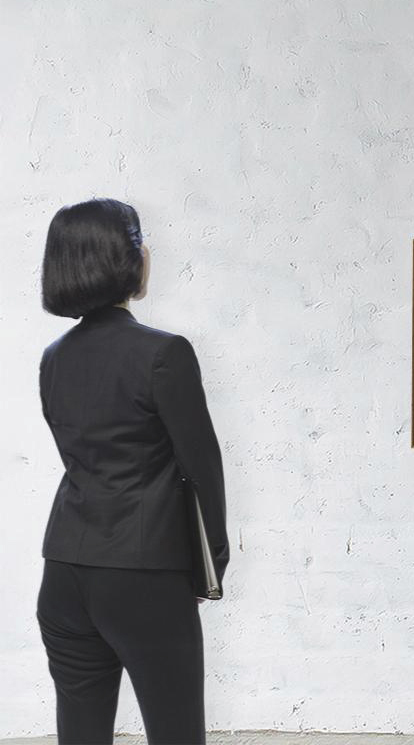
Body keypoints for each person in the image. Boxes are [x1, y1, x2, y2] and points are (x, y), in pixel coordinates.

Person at [35, 198, 230, 744]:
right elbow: (202, 467)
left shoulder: (54, 358)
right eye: (141, 241)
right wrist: (210, 564)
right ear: (126, 258)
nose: (148, 252)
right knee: (176, 734)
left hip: (64, 572)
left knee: (81, 736)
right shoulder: (164, 354)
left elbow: (84, 459)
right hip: (144, 574)